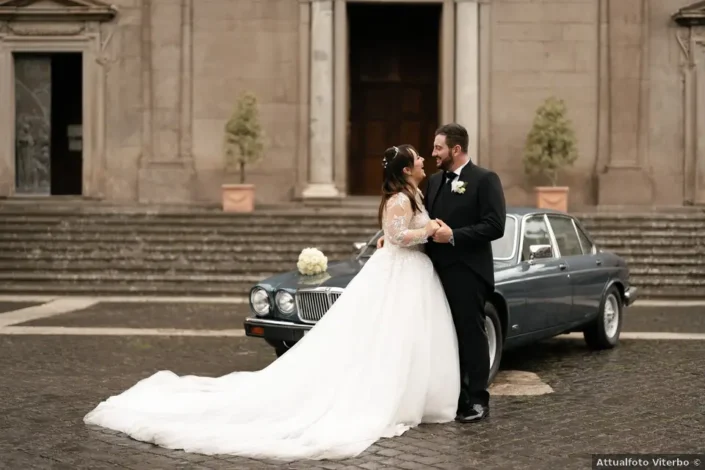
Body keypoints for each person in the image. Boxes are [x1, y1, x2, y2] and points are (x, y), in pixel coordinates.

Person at [83, 144, 460, 462]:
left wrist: (418, 228)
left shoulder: (412, 194)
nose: (425, 161)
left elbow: (392, 234)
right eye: (419, 159)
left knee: (402, 338)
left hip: (409, 275)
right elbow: (396, 235)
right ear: (408, 169)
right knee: (384, 336)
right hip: (399, 273)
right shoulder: (398, 198)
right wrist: (427, 229)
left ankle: (410, 394)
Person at [377, 123, 506, 423]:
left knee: (470, 335)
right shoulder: (433, 182)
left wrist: (455, 235)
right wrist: (390, 236)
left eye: (438, 148)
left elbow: (495, 225)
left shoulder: (485, 179)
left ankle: (477, 400)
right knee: (441, 337)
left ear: (456, 149)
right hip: (431, 272)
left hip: (467, 271)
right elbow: (413, 219)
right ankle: (450, 395)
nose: (432, 153)